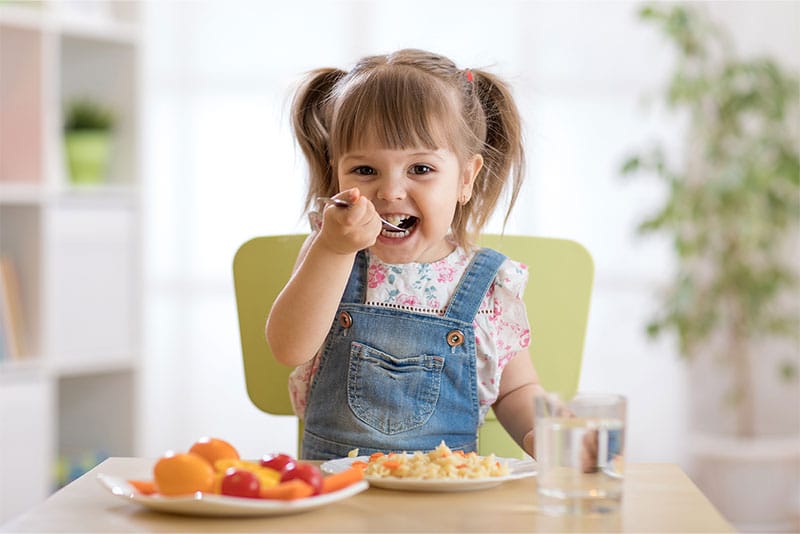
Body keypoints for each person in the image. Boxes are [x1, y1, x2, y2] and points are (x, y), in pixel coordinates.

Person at [266, 48, 543, 460]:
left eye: (420, 169)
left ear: (466, 179)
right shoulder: (331, 255)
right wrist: (333, 248)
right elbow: (289, 348)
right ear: (337, 170)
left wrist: (543, 434)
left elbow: (517, 389)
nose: (390, 191)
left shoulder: (488, 284)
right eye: (364, 170)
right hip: (337, 498)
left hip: (444, 506)